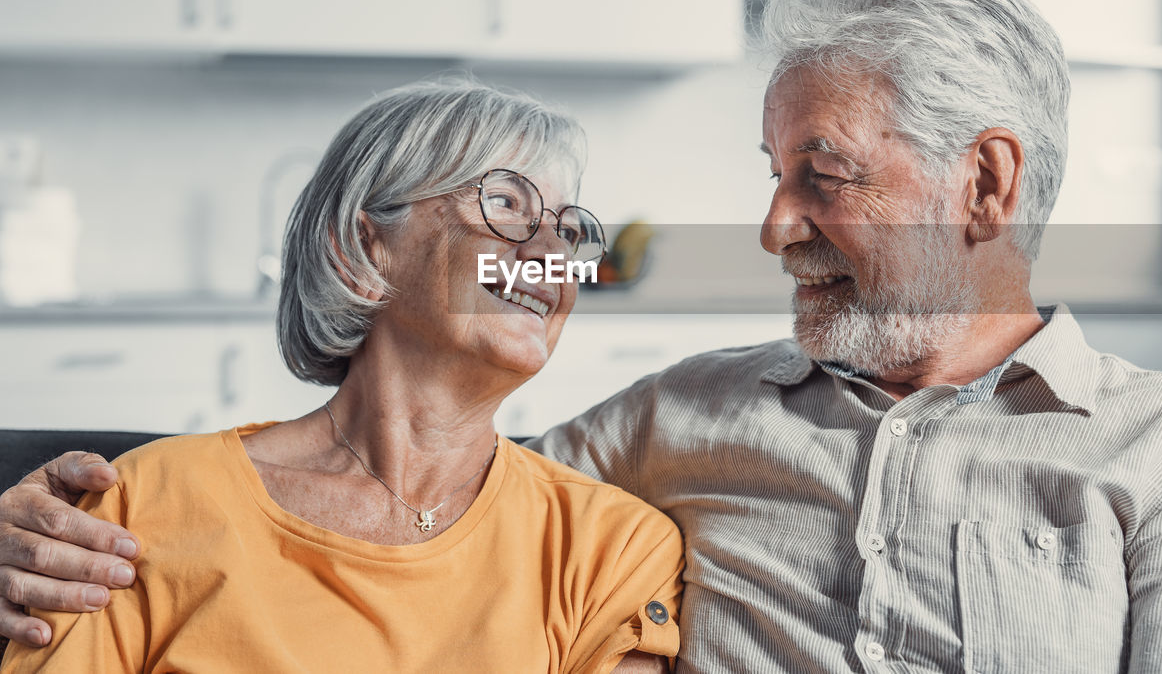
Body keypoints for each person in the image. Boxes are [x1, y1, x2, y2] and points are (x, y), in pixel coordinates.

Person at [3, 0, 1162, 672]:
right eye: (770, 179)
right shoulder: (671, 424)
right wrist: (33, 526)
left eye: (818, 178)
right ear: (365, 242)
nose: (774, 229)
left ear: (983, 184)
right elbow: (399, 503)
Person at [0, 79, 683, 672]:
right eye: (506, 204)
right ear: (364, 248)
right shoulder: (143, 505)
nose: (548, 254)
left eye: (567, 231)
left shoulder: (610, 545)